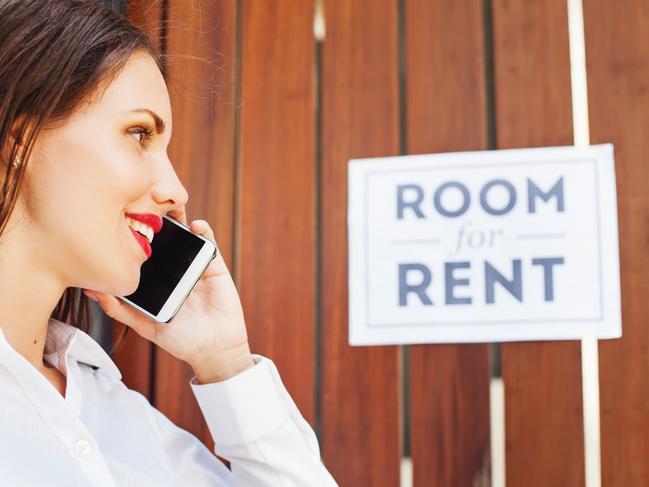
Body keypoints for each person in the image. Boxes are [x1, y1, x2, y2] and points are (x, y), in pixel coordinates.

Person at [0, 1, 339, 485]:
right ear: (20, 144)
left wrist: (225, 363)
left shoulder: (122, 420)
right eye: (138, 134)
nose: (175, 191)